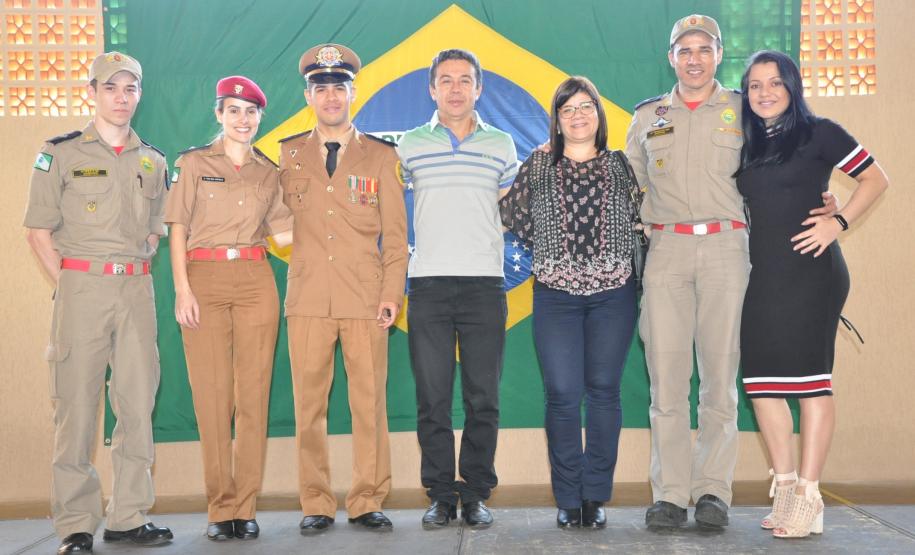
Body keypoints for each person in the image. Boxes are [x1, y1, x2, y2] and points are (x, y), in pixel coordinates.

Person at [624, 15, 837, 530]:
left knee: (719, 381)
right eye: (683, 50)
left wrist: (826, 204)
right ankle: (670, 494)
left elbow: (789, 165)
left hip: (727, 249)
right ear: (670, 56)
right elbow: (626, 181)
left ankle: (713, 493)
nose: (694, 58)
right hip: (667, 253)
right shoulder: (648, 117)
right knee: (667, 383)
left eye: (704, 49)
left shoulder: (747, 112)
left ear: (719, 55)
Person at [23, 52, 173, 554]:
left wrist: (128, 267)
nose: (121, 97)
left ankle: (128, 516)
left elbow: (156, 233)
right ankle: (76, 525)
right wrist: (69, 283)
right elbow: (39, 233)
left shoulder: (154, 159)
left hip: (135, 293)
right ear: (93, 92)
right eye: (111, 88)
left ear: (139, 94)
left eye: (130, 88)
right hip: (81, 292)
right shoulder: (59, 153)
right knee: (77, 411)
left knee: (135, 406)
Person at [734, 50, 888, 538]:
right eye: (754, 85)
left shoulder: (820, 132)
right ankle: (783, 485)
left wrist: (838, 221)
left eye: (774, 83)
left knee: (811, 383)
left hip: (812, 273)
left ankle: (808, 493)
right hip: (761, 276)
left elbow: (875, 177)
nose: (764, 93)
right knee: (761, 386)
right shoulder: (745, 142)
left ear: (792, 86)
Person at [278, 43, 408, 534]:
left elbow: (396, 238)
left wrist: (392, 295)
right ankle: (315, 501)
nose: (330, 97)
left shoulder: (379, 155)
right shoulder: (288, 155)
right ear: (309, 95)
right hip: (309, 296)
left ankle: (367, 498)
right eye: (320, 88)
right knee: (308, 406)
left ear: (353, 93)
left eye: (339, 88)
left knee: (368, 403)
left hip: (365, 297)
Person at [500, 76, 637, 529]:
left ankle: (595, 495)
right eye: (567, 109)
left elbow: (643, 218)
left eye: (585, 107)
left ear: (598, 115)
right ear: (556, 121)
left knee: (603, 392)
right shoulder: (538, 166)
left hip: (613, 295)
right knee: (561, 395)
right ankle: (567, 496)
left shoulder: (620, 165)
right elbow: (512, 216)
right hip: (556, 296)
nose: (577, 115)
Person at [165, 76, 293, 541]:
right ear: (218, 114)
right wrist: (183, 290)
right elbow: (176, 226)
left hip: (257, 280)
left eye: (251, 112)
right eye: (233, 110)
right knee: (213, 399)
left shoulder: (269, 171)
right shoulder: (193, 163)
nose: (243, 119)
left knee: (254, 397)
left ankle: (247, 505)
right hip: (204, 279)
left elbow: (286, 236)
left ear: (261, 118)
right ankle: (220, 507)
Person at [397, 48, 518, 530]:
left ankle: (476, 493)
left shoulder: (502, 144)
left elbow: (513, 210)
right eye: (445, 80)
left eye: (464, 80)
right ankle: (442, 495)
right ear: (431, 89)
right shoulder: (409, 144)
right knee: (432, 398)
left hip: (485, 284)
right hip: (426, 285)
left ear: (478, 88)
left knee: (482, 396)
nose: (454, 89)